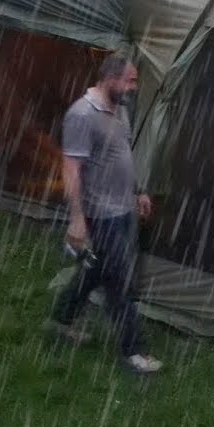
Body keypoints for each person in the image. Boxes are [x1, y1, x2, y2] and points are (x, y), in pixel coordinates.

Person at [48, 51, 163, 374]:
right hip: (100, 213)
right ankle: (134, 351)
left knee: (97, 270)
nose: (133, 88)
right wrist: (78, 219)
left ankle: (61, 319)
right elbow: (71, 169)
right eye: (130, 81)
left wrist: (137, 191)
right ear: (110, 78)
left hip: (123, 208)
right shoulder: (82, 115)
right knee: (119, 280)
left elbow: (120, 156)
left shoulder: (119, 110)